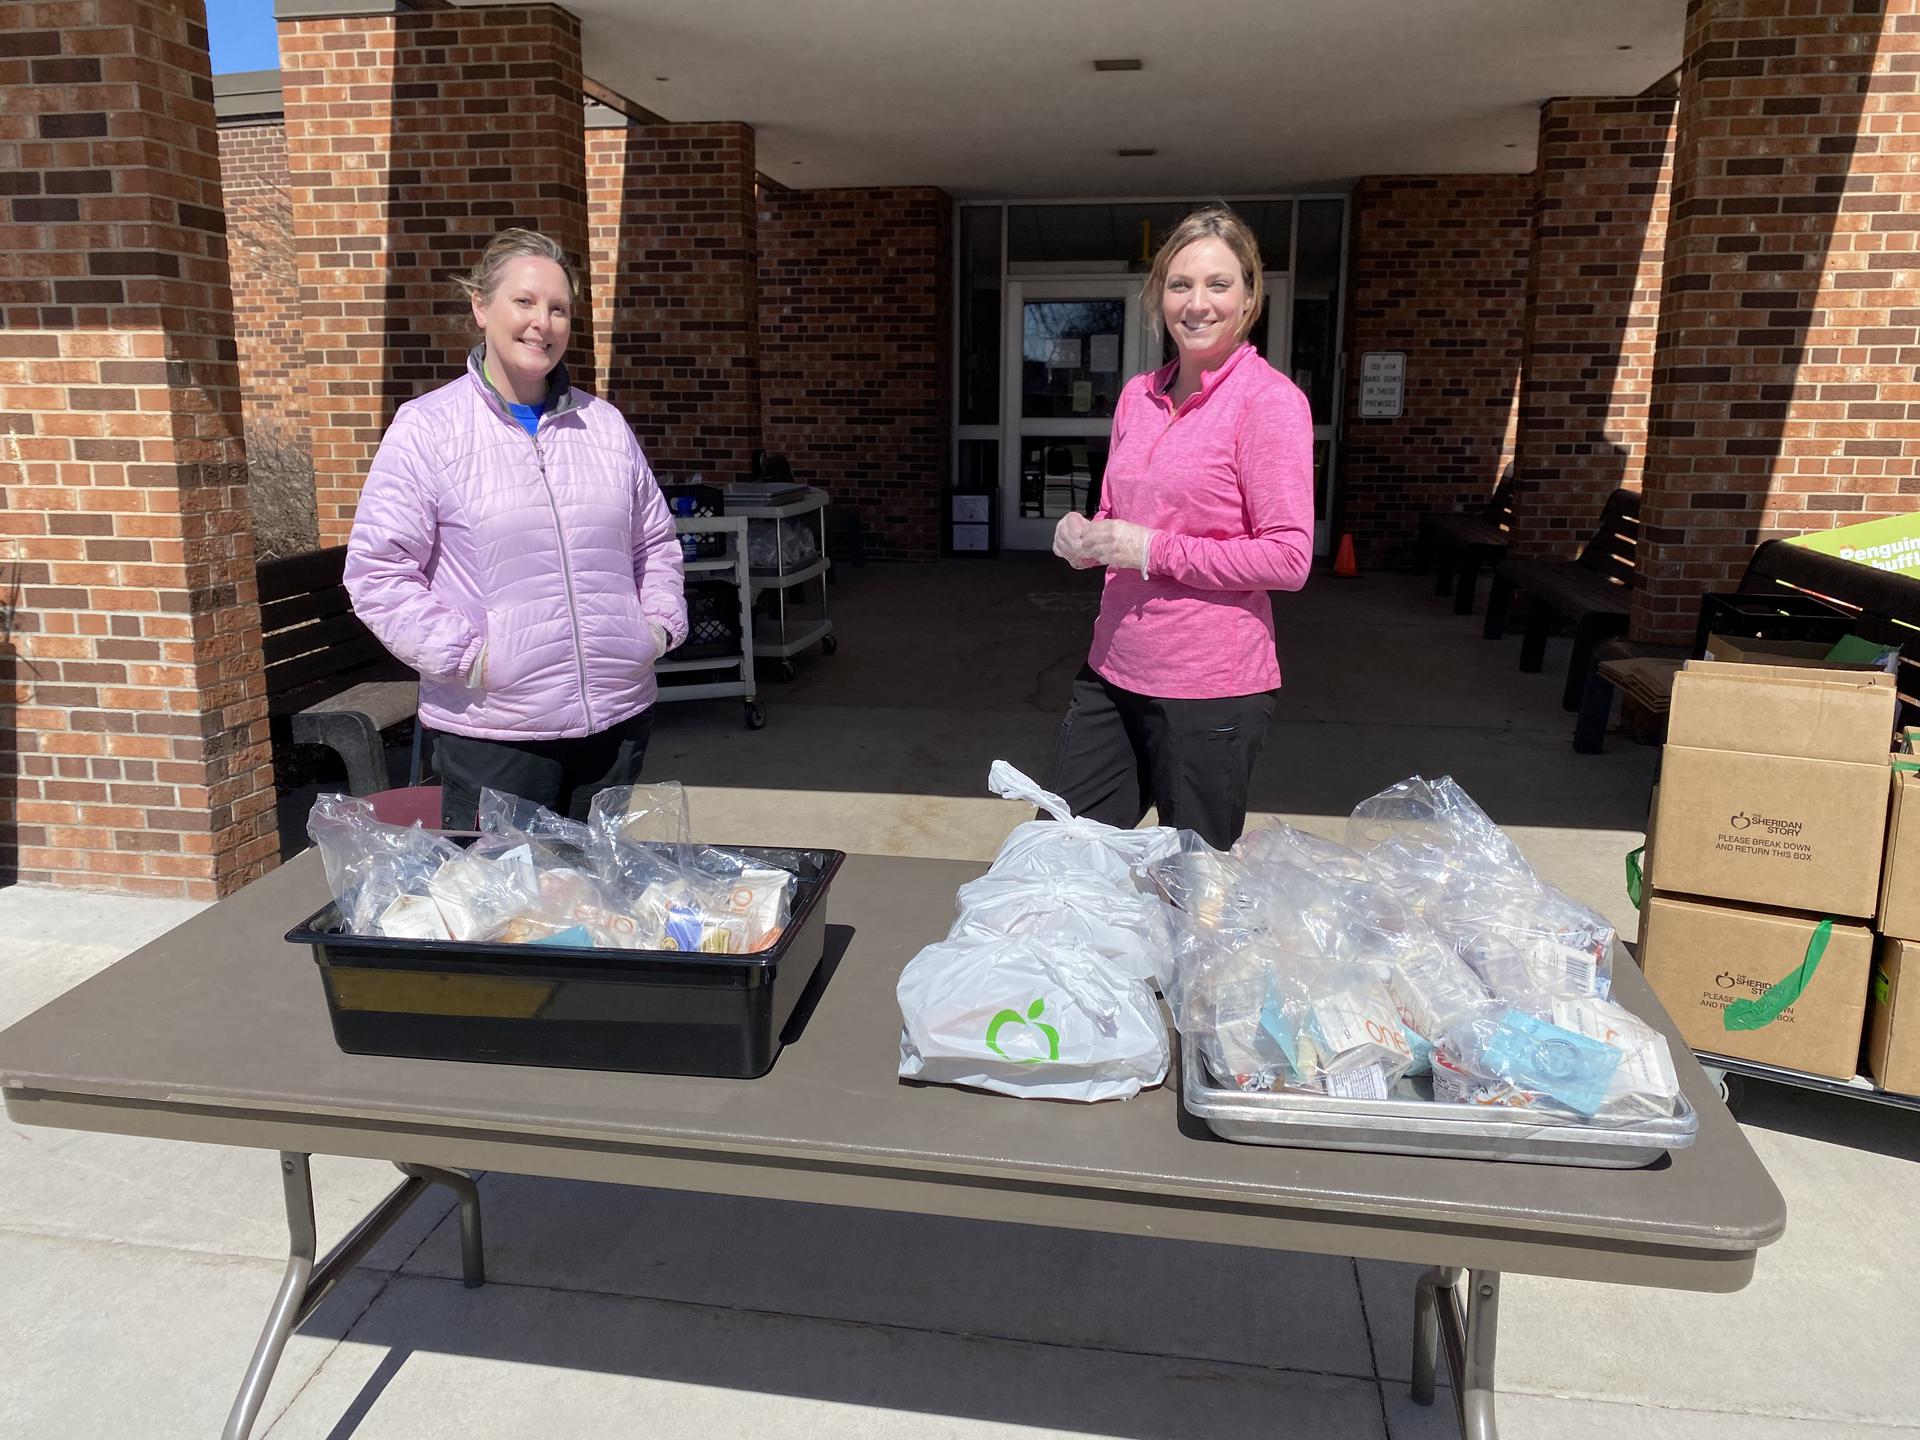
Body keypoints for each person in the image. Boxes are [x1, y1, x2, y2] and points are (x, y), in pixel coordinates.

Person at [344, 227, 687, 828]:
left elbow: (654, 543)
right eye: (524, 302)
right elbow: (377, 572)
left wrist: (654, 629)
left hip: (616, 720)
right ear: (481, 307)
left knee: (595, 901)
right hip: (496, 731)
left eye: (558, 309)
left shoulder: (604, 426)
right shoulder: (428, 428)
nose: (542, 323)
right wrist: (472, 660)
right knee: (505, 913)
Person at [1048, 205, 1314, 850]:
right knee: (1064, 858)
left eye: (1219, 284)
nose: (1197, 304)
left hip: (1210, 688)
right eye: (1179, 284)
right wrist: (1084, 536)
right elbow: (1118, 514)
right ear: (1158, 297)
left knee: (1192, 884)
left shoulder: (1269, 402)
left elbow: (1288, 559)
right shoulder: (1139, 395)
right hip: (1113, 667)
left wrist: (1150, 549)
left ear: (1250, 299)